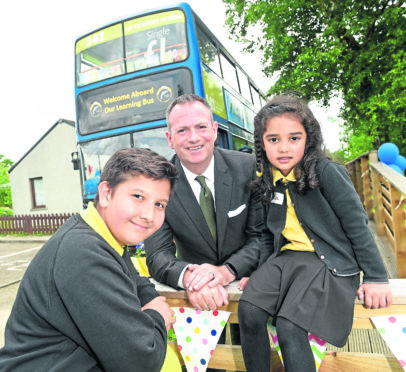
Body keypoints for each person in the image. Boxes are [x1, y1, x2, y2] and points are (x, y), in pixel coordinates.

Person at [237, 95, 393, 372]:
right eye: (273, 140)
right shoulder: (267, 181)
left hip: (328, 261)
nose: (283, 148)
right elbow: (265, 236)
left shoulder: (327, 172)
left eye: (293, 138)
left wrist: (377, 276)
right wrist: (259, 273)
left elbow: (356, 224)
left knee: (289, 327)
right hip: (287, 259)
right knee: (248, 311)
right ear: (262, 143)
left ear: (308, 139)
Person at [0, 148, 180, 372]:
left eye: (159, 204)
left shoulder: (104, 237)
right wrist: (157, 317)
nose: (149, 215)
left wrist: (150, 307)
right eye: (138, 197)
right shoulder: (83, 253)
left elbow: (138, 282)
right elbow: (140, 362)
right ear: (106, 194)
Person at [144, 94, 263, 371]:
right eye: (182, 130)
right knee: (206, 366)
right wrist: (191, 279)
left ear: (214, 130)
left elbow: (261, 237)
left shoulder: (248, 168)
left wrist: (224, 272)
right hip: (198, 300)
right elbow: (158, 256)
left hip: (250, 288)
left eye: (200, 127)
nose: (193, 137)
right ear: (170, 138)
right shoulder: (158, 185)